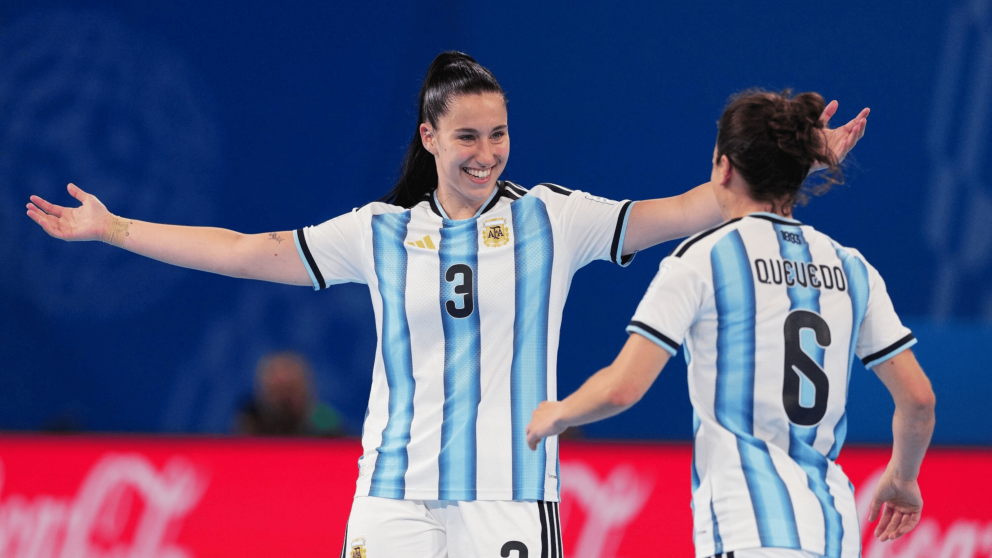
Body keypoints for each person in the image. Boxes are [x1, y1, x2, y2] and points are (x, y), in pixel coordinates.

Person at [26, 52, 868, 557]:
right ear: (429, 137)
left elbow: (699, 206)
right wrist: (116, 229)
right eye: (467, 136)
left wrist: (806, 161)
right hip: (393, 495)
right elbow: (249, 252)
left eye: (498, 134)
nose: (486, 153)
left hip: (508, 497)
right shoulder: (381, 232)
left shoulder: (552, 219)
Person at [525, 89, 934, 558]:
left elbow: (622, 388)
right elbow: (919, 400)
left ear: (723, 167)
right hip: (832, 534)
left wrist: (557, 413)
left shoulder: (703, 259)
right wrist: (903, 477)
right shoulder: (851, 268)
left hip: (744, 532)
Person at [233, 351, 347, 437]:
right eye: (277, 391)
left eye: (290, 390)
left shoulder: (323, 422)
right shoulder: (251, 425)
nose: (284, 399)